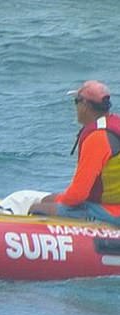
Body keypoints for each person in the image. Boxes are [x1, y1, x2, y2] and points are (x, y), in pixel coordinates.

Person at [29, 80, 120, 225]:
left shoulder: (98, 137)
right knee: (47, 200)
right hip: (110, 205)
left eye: (76, 102)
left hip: (111, 212)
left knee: (37, 209)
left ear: (85, 106)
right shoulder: (114, 124)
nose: (75, 107)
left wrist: (59, 201)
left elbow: (78, 194)